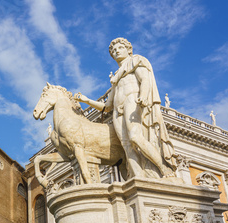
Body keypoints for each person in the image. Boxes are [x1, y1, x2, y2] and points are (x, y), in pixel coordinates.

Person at [75, 37, 176, 179]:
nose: (116, 51)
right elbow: (107, 106)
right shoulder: (115, 78)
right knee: (127, 147)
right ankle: (138, 178)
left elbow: (145, 79)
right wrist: (86, 100)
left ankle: (163, 168)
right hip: (117, 110)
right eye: (113, 51)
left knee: (135, 137)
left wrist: (144, 95)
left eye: (119, 48)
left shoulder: (135, 61)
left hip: (132, 100)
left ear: (128, 49)